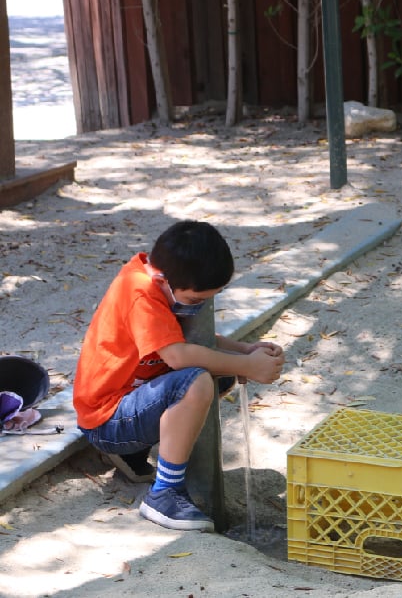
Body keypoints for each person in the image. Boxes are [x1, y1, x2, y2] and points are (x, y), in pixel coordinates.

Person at [74, 220, 284, 532]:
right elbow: (178, 355)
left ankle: (134, 452)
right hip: (106, 420)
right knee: (195, 381)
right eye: (197, 300)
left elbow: (192, 340)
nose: (198, 307)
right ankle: (165, 493)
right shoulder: (140, 292)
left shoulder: (160, 281)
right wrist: (247, 366)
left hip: (127, 404)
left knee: (219, 375)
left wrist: (243, 351)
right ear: (167, 280)